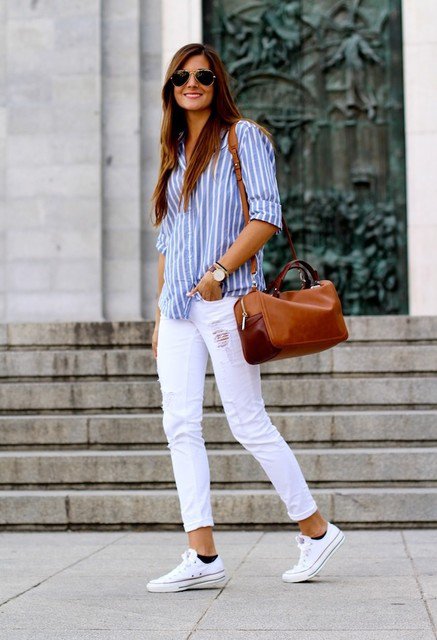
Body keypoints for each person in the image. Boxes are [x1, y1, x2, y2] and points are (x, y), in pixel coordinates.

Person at [146, 43, 345, 593]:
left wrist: (218, 269)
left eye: (203, 76)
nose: (193, 83)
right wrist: (160, 312)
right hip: (179, 310)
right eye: (183, 76)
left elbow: (266, 214)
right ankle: (203, 555)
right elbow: (169, 238)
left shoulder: (243, 136)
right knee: (179, 425)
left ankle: (315, 529)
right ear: (172, 87)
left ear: (217, 84)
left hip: (224, 299)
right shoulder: (173, 150)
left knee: (246, 420)